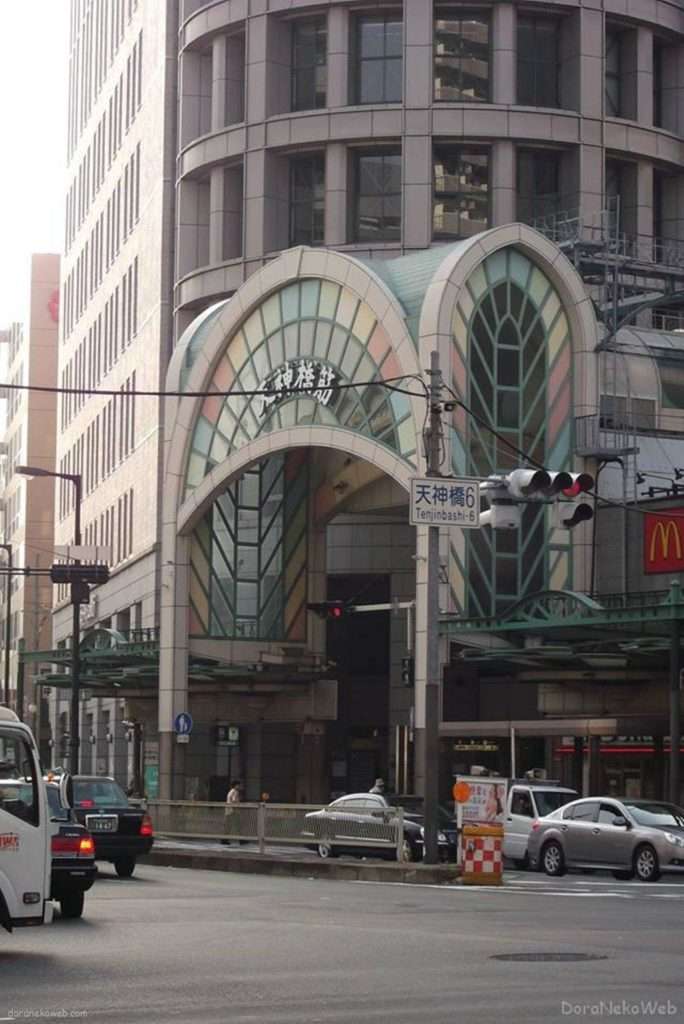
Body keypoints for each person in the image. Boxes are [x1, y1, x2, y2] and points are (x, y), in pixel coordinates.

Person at [222, 780, 242, 846]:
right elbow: (234, 800)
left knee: (228, 826)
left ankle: (224, 839)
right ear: (236, 785)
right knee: (238, 825)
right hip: (233, 811)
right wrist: (237, 806)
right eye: (238, 785)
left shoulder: (230, 791)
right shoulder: (235, 791)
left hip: (228, 810)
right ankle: (241, 840)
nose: (239, 786)